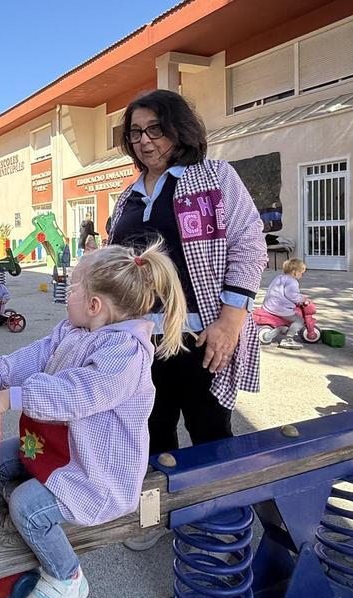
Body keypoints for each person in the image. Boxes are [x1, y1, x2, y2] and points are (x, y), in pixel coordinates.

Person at [0, 242, 187, 598]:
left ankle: (66, 576)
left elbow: (78, 393)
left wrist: (14, 397)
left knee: (25, 504)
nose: (65, 293)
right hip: (62, 448)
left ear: (94, 305)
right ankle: (33, 529)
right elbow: (37, 355)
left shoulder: (126, 353)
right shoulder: (73, 330)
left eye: (71, 287)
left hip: (97, 472)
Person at [105, 90, 267, 549]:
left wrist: (231, 321)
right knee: (149, 431)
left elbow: (249, 243)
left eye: (155, 129)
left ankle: (221, 520)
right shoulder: (129, 197)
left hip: (202, 333)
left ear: (179, 130)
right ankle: (155, 517)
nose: (144, 141)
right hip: (138, 340)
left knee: (210, 430)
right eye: (135, 132)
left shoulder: (213, 177)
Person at [261, 258, 310, 350]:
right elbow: (292, 295)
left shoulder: (279, 277)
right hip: (279, 307)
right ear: (295, 272)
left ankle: (283, 329)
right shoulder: (292, 281)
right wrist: (303, 299)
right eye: (301, 272)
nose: (301, 275)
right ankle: (288, 339)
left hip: (270, 305)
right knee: (299, 320)